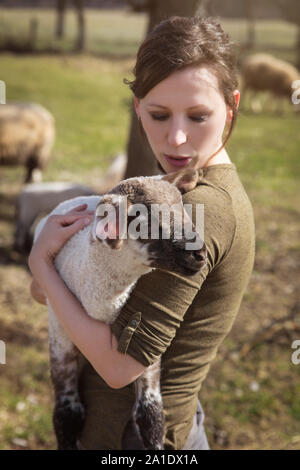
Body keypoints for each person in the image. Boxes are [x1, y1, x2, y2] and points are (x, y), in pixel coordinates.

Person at [29, 16, 255, 450]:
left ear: (232, 107)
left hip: (141, 440)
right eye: (158, 114)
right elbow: (55, 295)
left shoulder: (198, 213)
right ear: (136, 107)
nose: (176, 137)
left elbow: (118, 367)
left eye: (198, 115)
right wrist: (51, 274)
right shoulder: (167, 192)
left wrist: (41, 261)